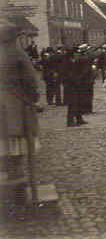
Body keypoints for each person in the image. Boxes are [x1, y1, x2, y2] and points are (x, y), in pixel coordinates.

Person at [0, 23, 41, 213]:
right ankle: (19, 198)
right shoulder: (16, 53)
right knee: (17, 152)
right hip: (14, 108)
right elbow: (30, 79)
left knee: (5, 152)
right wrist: (33, 98)